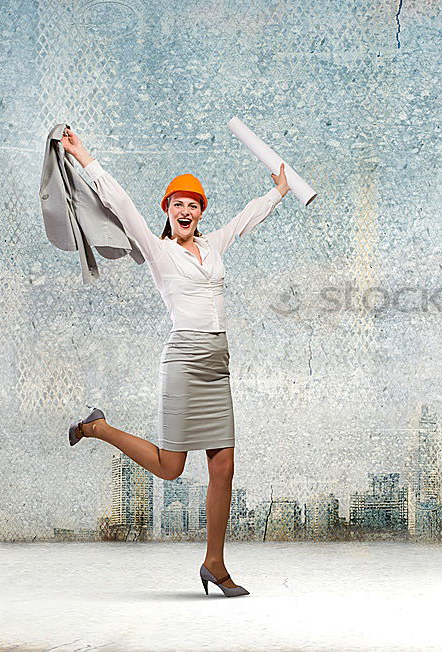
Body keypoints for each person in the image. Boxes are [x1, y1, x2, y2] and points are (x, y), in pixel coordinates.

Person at [60, 127, 290, 597]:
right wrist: (86, 157)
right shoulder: (158, 249)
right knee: (170, 467)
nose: (186, 210)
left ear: (201, 212)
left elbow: (246, 220)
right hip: (184, 360)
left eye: (194, 204)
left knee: (223, 465)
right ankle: (97, 428)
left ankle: (215, 564)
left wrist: (279, 190)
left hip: (216, 363)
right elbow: (121, 203)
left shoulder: (211, 247)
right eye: (177, 203)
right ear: (167, 210)